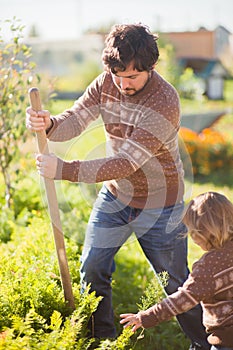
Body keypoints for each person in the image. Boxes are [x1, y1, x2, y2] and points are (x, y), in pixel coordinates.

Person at [26, 23, 211, 349]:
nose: (123, 85)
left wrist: (64, 169)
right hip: (115, 196)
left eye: (132, 77)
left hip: (160, 204)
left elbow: (126, 163)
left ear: (150, 68)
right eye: (117, 76)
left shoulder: (164, 101)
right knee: (93, 269)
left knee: (176, 284)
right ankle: (104, 338)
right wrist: (50, 124)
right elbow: (77, 118)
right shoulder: (105, 83)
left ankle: (209, 343)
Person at [120, 191, 233, 350]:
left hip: (227, 340)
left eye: (191, 232)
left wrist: (147, 317)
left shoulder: (209, 267)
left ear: (200, 233)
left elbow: (183, 300)